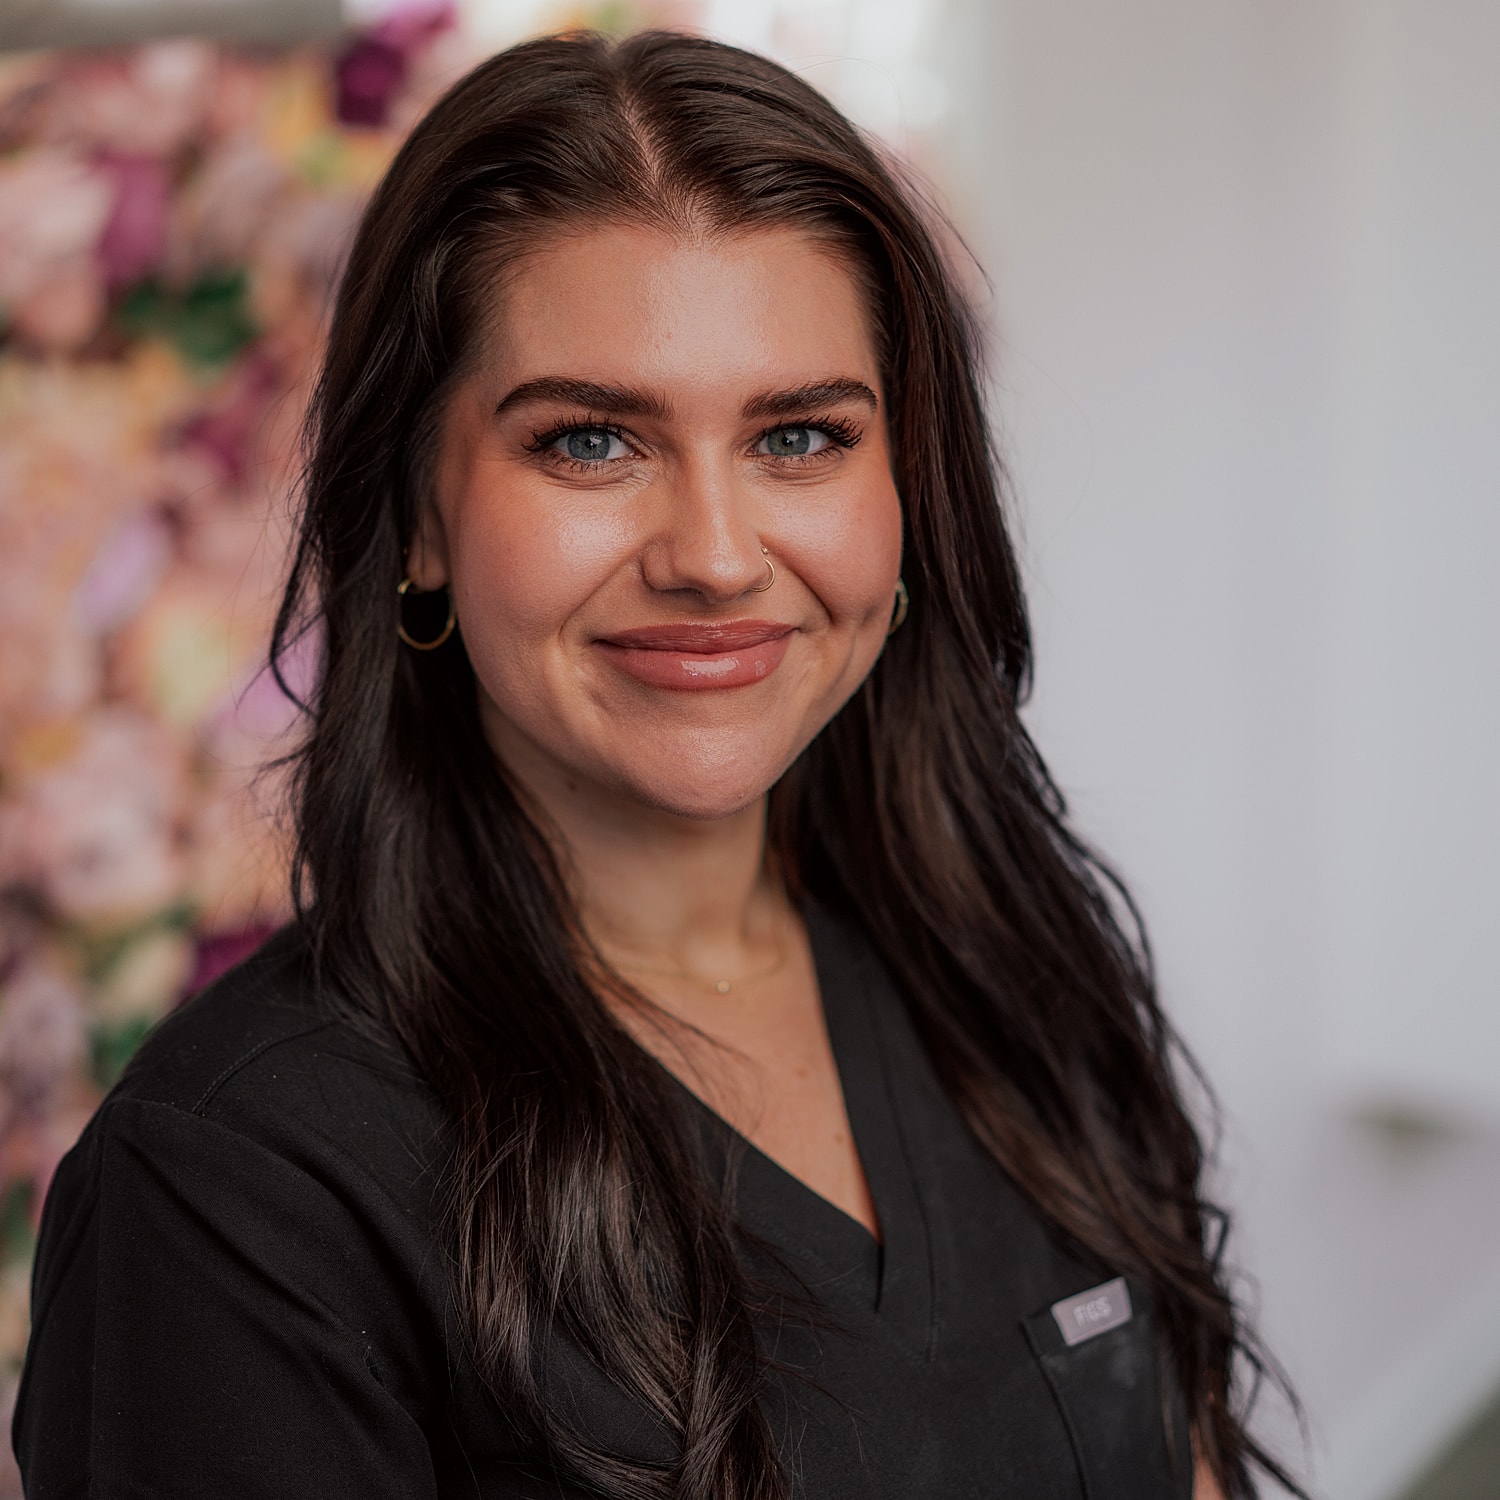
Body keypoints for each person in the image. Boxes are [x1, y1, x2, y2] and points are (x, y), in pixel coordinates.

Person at [14, 30, 1301, 1500]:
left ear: (906, 492)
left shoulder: (1008, 972)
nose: (714, 556)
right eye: (591, 443)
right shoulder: (237, 1189)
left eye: (802, 436)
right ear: (421, 517)